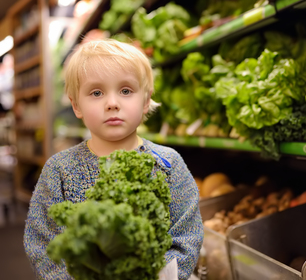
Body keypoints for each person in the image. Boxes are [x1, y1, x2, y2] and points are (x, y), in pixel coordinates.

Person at [23, 39, 204, 279]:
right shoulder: (59, 169)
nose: (112, 103)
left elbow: (187, 236)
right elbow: (41, 243)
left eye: (126, 91)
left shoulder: (169, 163)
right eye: (96, 93)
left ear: (146, 100)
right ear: (76, 105)